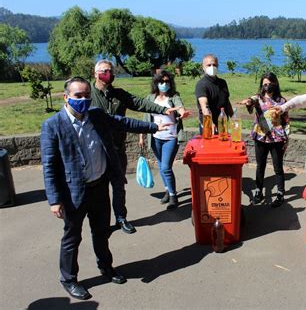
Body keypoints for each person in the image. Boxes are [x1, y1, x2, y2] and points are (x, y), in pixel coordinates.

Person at [40, 77, 165, 300]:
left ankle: (106, 267)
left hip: (99, 188)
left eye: (87, 95)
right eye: (78, 96)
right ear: (66, 97)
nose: (84, 100)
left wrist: (154, 126)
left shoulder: (96, 115)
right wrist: (54, 200)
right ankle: (69, 279)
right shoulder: (53, 125)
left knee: (101, 233)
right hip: (73, 193)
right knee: (72, 238)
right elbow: (49, 165)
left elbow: (124, 122)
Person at [91, 60, 173, 234]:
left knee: (119, 187)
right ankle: (102, 224)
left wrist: (162, 110)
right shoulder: (88, 94)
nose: (109, 74)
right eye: (105, 71)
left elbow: (140, 103)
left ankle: (121, 218)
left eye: (111, 71)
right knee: (99, 190)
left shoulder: (118, 94)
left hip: (117, 149)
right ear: (95, 73)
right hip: (96, 151)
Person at [139, 71, 191, 209]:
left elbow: (180, 107)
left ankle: (173, 196)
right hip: (156, 138)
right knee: (162, 167)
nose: (164, 84)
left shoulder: (174, 96)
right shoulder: (150, 97)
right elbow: (146, 117)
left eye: (167, 81)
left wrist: (182, 113)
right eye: (161, 81)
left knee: (166, 168)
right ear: (156, 83)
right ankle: (168, 190)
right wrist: (142, 135)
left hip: (170, 138)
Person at [238, 72, 289, 207]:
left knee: (278, 168)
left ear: (275, 83)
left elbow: (286, 121)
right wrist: (248, 101)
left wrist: (287, 138)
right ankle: (259, 191)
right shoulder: (258, 99)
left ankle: (280, 193)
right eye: (264, 84)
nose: (267, 86)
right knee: (260, 166)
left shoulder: (281, 101)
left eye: (270, 83)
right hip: (261, 138)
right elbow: (252, 100)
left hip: (277, 139)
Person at [195, 54, 233, 133]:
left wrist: (233, 118)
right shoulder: (201, 84)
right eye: (209, 65)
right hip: (208, 125)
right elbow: (204, 106)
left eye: (214, 65)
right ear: (203, 67)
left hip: (222, 123)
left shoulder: (222, 83)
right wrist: (210, 123)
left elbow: (227, 102)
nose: (212, 67)